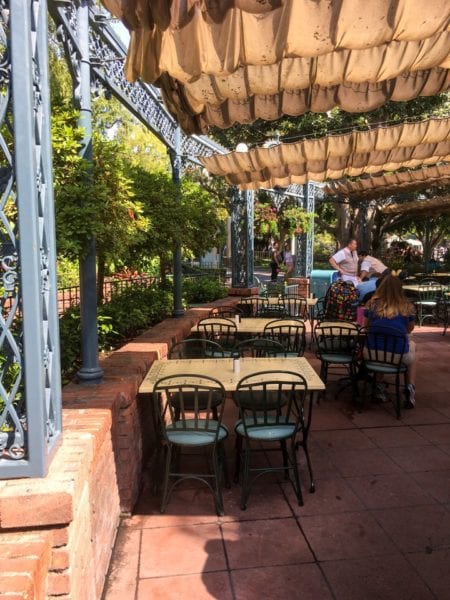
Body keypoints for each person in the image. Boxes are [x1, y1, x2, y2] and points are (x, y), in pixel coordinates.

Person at [363, 275, 417, 408]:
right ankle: (410, 385)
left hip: (371, 353)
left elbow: (366, 326)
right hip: (397, 356)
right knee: (413, 346)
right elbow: (409, 329)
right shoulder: (407, 307)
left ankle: (378, 386)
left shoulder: (372, 304)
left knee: (381, 343)